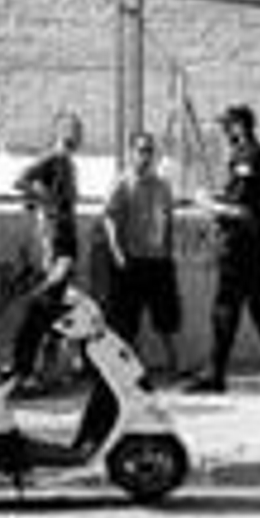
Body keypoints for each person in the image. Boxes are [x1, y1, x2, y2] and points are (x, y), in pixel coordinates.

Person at [190, 103, 260, 392]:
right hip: (247, 243)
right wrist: (216, 198)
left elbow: (244, 209)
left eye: (227, 125)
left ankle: (216, 374)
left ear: (239, 126)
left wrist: (208, 205)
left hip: (241, 244)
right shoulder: (247, 156)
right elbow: (236, 196)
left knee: (226, 308)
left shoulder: (249, 156)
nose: (223, 131)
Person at [11, 110, 84, 391]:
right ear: (59, 132)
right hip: (56, 246)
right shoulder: (52, 159)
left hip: (66, 243)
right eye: (71, 129)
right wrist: (46, 201)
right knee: (42, 308)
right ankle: (23, 370)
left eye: (78, 130)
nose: (76, 135)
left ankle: (45, 371)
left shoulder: (68, 164)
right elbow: (20, 181)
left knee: (55, 312)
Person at [103, 131, 182, 380]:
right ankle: (132, 370)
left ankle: (173, 365)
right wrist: (117, 252)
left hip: (158, 260)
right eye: (141, 150)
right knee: (128, 319)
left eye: (149, 150)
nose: (145, 156)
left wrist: (169, 253)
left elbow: (169, 221)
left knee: (165, 317)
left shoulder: (162, 186)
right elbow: (110, 219)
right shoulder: (122, 182)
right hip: (132, 260)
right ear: (131, 153)